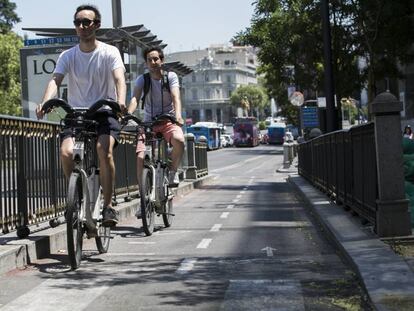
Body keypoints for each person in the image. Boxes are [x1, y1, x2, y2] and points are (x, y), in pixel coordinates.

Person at [36, 4, 127, 227]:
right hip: (77, 113)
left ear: (96, 25)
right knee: (66, 152)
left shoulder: (109, 52)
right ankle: (74, 195)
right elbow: (55, 80)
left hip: (104, 111)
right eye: (78, 22)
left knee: (103, 150)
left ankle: (108, 207)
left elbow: (119, 80)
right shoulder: (68, 55)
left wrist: (121, 102)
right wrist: (46, 101)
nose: (82, 26)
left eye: (87, 22)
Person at [128, 46, 184, 188]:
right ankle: (142, 195)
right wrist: (128, 114)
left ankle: (173, 171)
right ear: (146, 63)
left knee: (179, 140)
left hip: (169, 121)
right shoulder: (143, 79)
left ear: (162, 60)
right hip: (148, 124)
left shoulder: (170, 77)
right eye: (149, 60)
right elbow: (135, 98)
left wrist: (177, 116)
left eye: (155, 59)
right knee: (141, 157)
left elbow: (176, 97)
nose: (153, 62)